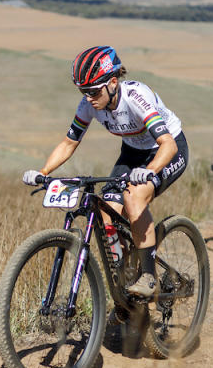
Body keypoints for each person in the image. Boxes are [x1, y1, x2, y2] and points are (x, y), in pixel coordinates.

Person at [22, 46, 188, 299]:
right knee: (106, 209)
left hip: (166, 149)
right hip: (132, 152)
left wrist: (150, 171)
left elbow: (168, 144)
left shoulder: (135, 97)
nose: (88, 98)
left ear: (112, 83)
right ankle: (126, 288)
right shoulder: (89, 104)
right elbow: (69, 143)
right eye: (82, 91)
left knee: (134, 197)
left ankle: (149, 276)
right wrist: (43, 172)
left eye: (92, 91)